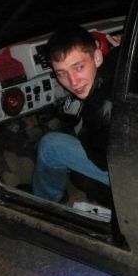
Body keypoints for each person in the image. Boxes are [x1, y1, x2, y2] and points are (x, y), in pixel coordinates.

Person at [30, 24, 119, 203]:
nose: (73, 82)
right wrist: (119, 51)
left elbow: (100, 160)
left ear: (97, 57)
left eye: (79, 67)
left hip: (126, 175)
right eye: (61, 73)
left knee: (50, 146)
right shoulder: (120, 61)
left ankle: (45, 202)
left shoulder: (101, 111)